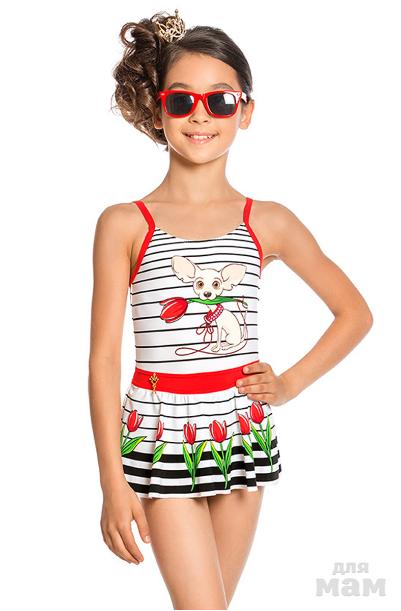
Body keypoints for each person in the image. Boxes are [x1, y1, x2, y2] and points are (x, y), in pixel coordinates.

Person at [88, 9, 373, 609]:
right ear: (158, 110)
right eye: (181, 100)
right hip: (160, 435)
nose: (200, 116)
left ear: (245, 111)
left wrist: (289, 384)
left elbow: (354, 313)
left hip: (241, 433)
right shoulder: (124, 223)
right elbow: (104, 358)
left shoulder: (267, 221)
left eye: (220, 101)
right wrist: (112, 480)